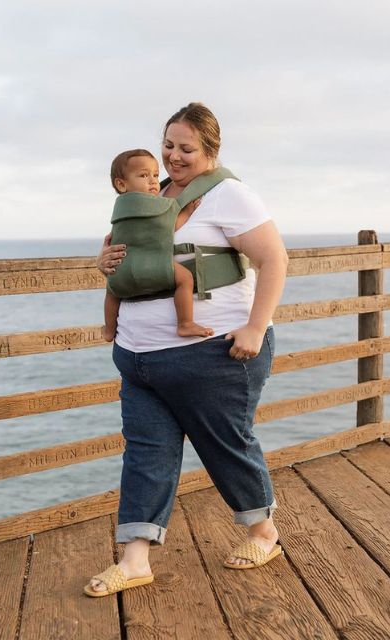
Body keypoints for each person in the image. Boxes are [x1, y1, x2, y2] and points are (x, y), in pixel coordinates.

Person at [84, 102, 288, 598]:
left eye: (186, 149)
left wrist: (255, 328)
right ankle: (135, 560)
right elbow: (132, 260)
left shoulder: (228, 195)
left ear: (211, 151)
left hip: (214, 353)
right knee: (146, 453)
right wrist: (104, 260)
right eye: (168, 145)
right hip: (138, 356)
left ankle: (264, 534)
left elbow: (274, 259)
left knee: (226, 445)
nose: (173, 157)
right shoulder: (148, 195)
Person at [103, 148, 213, 342]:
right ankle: (185, 323)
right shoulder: (153, 205)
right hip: (152, 267)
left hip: (123, 270)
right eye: (144, 175)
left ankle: (109, 330)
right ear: (121, 184)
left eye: (155, 175)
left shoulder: (119, 207)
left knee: (112, 292)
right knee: (185, 278)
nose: (153, 181)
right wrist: (187, 212)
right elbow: (169, 226)